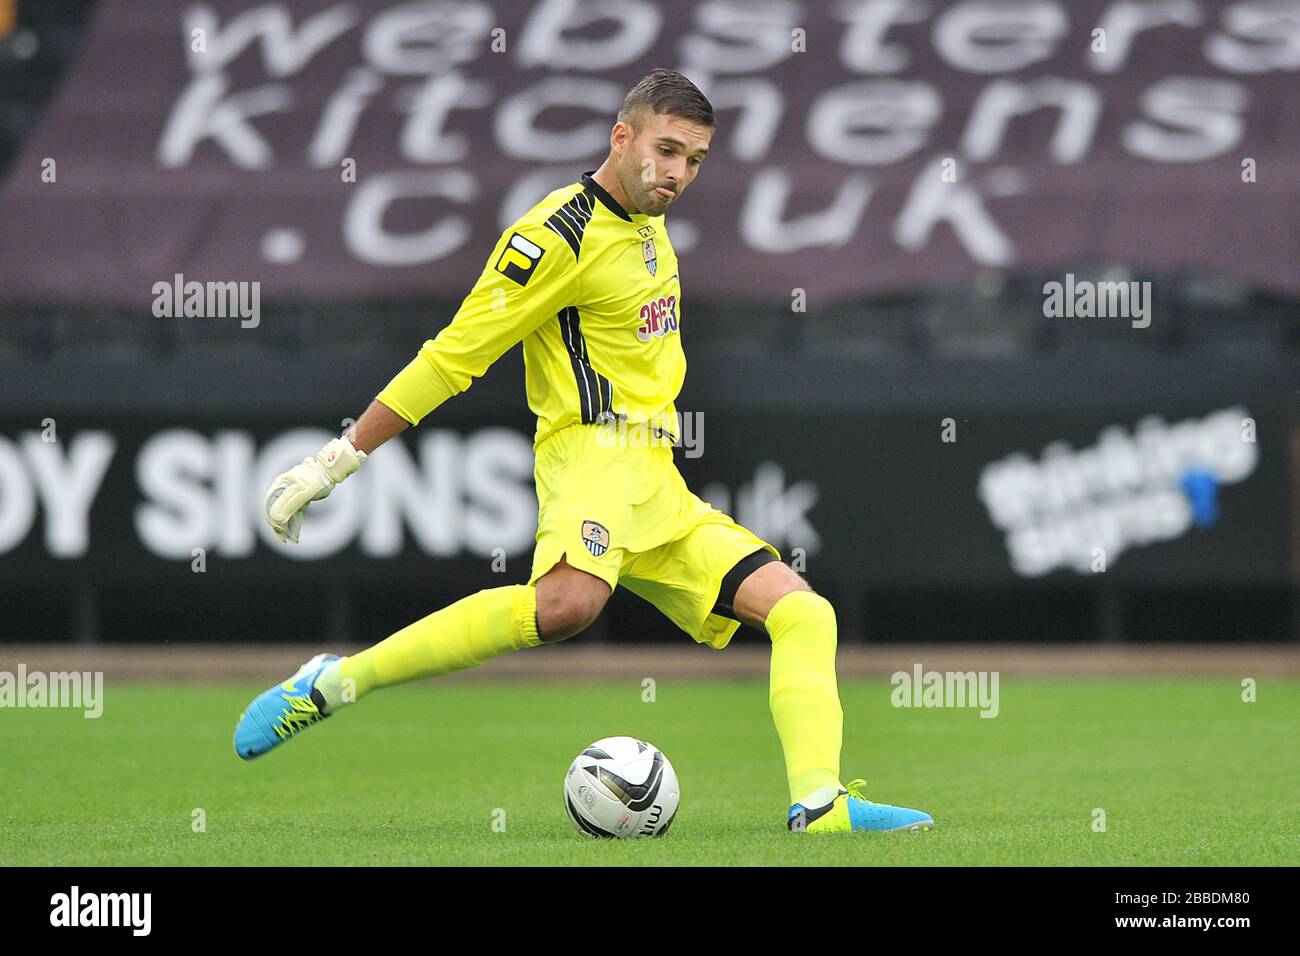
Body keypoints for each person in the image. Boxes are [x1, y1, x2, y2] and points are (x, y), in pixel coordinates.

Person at [233, 68, 933, 834]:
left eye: (695, 160)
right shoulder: (552, 237)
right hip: (591, 456)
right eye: (666, 151)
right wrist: (337, 460)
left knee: (804, 612)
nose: (677, 174)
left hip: (655, 479)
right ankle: (331, 684)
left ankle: (821, 805)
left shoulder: (649, 223)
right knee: (567, 606)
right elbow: (452, 357)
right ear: (620, 136)